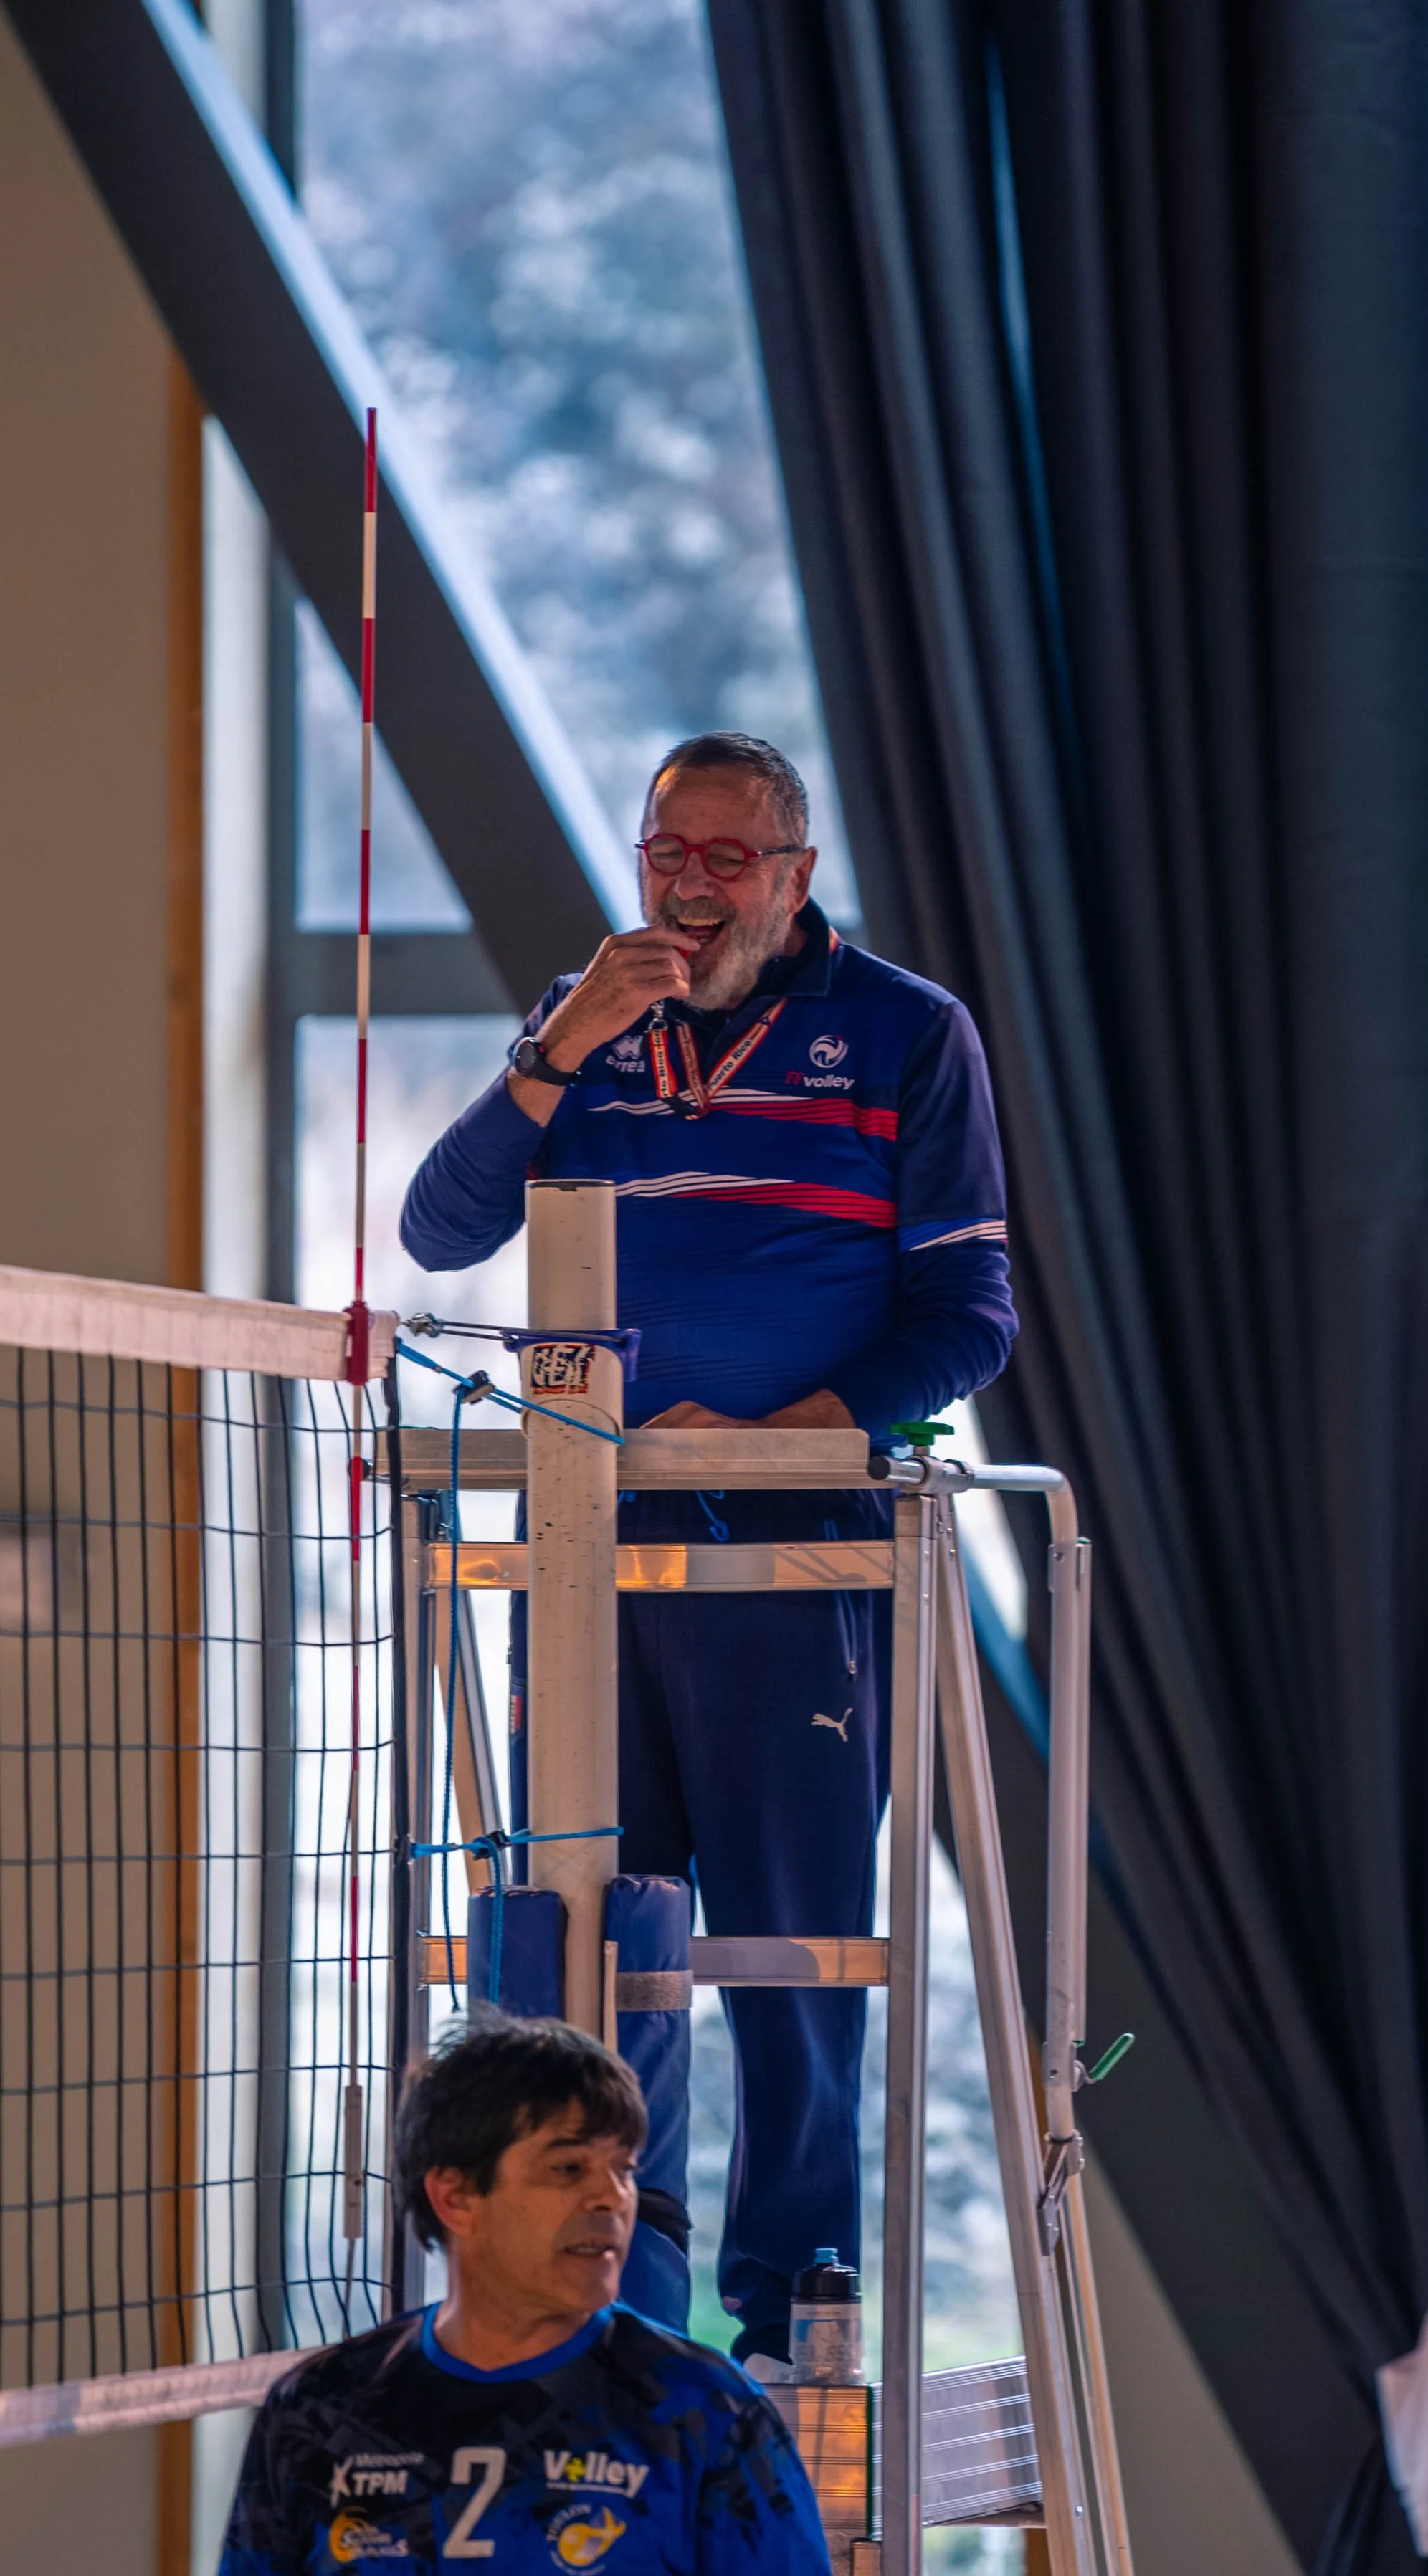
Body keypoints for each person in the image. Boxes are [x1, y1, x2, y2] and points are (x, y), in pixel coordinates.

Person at [401, 732, 1014, 2370]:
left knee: (794, 1943)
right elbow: (439, 1231)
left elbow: (971, 1318)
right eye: (668, 846)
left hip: (799, 1551)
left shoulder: (903, 1033)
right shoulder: (583, 1019)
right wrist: (554, 1053)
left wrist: (791, 1430)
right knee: (597, 1943)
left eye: (727, 856)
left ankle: (793, 2300)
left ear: (796, 876)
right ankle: (614, 2308)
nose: (688, 879)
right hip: (588, 1547)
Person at [177, 2016, 855, 2576]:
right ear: (456, 2197)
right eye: (568, 2169)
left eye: (623, 2167)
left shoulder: (705, 2413)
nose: (613, 2198)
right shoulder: (323, 2410)